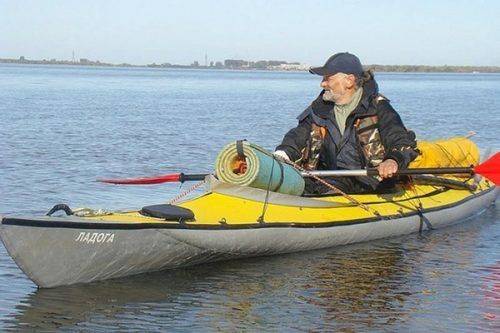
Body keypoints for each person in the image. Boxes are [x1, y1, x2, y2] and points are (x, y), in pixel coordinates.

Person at [275, 52, 418, 194]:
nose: (322, 83)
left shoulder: (378, 108)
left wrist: (392, 161)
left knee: (335, 185)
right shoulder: (319, 109)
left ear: (349, 81)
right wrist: (283, 153)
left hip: (370, 182)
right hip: (326, 179)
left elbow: (401, 141)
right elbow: (297, 136)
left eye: (328, 78)